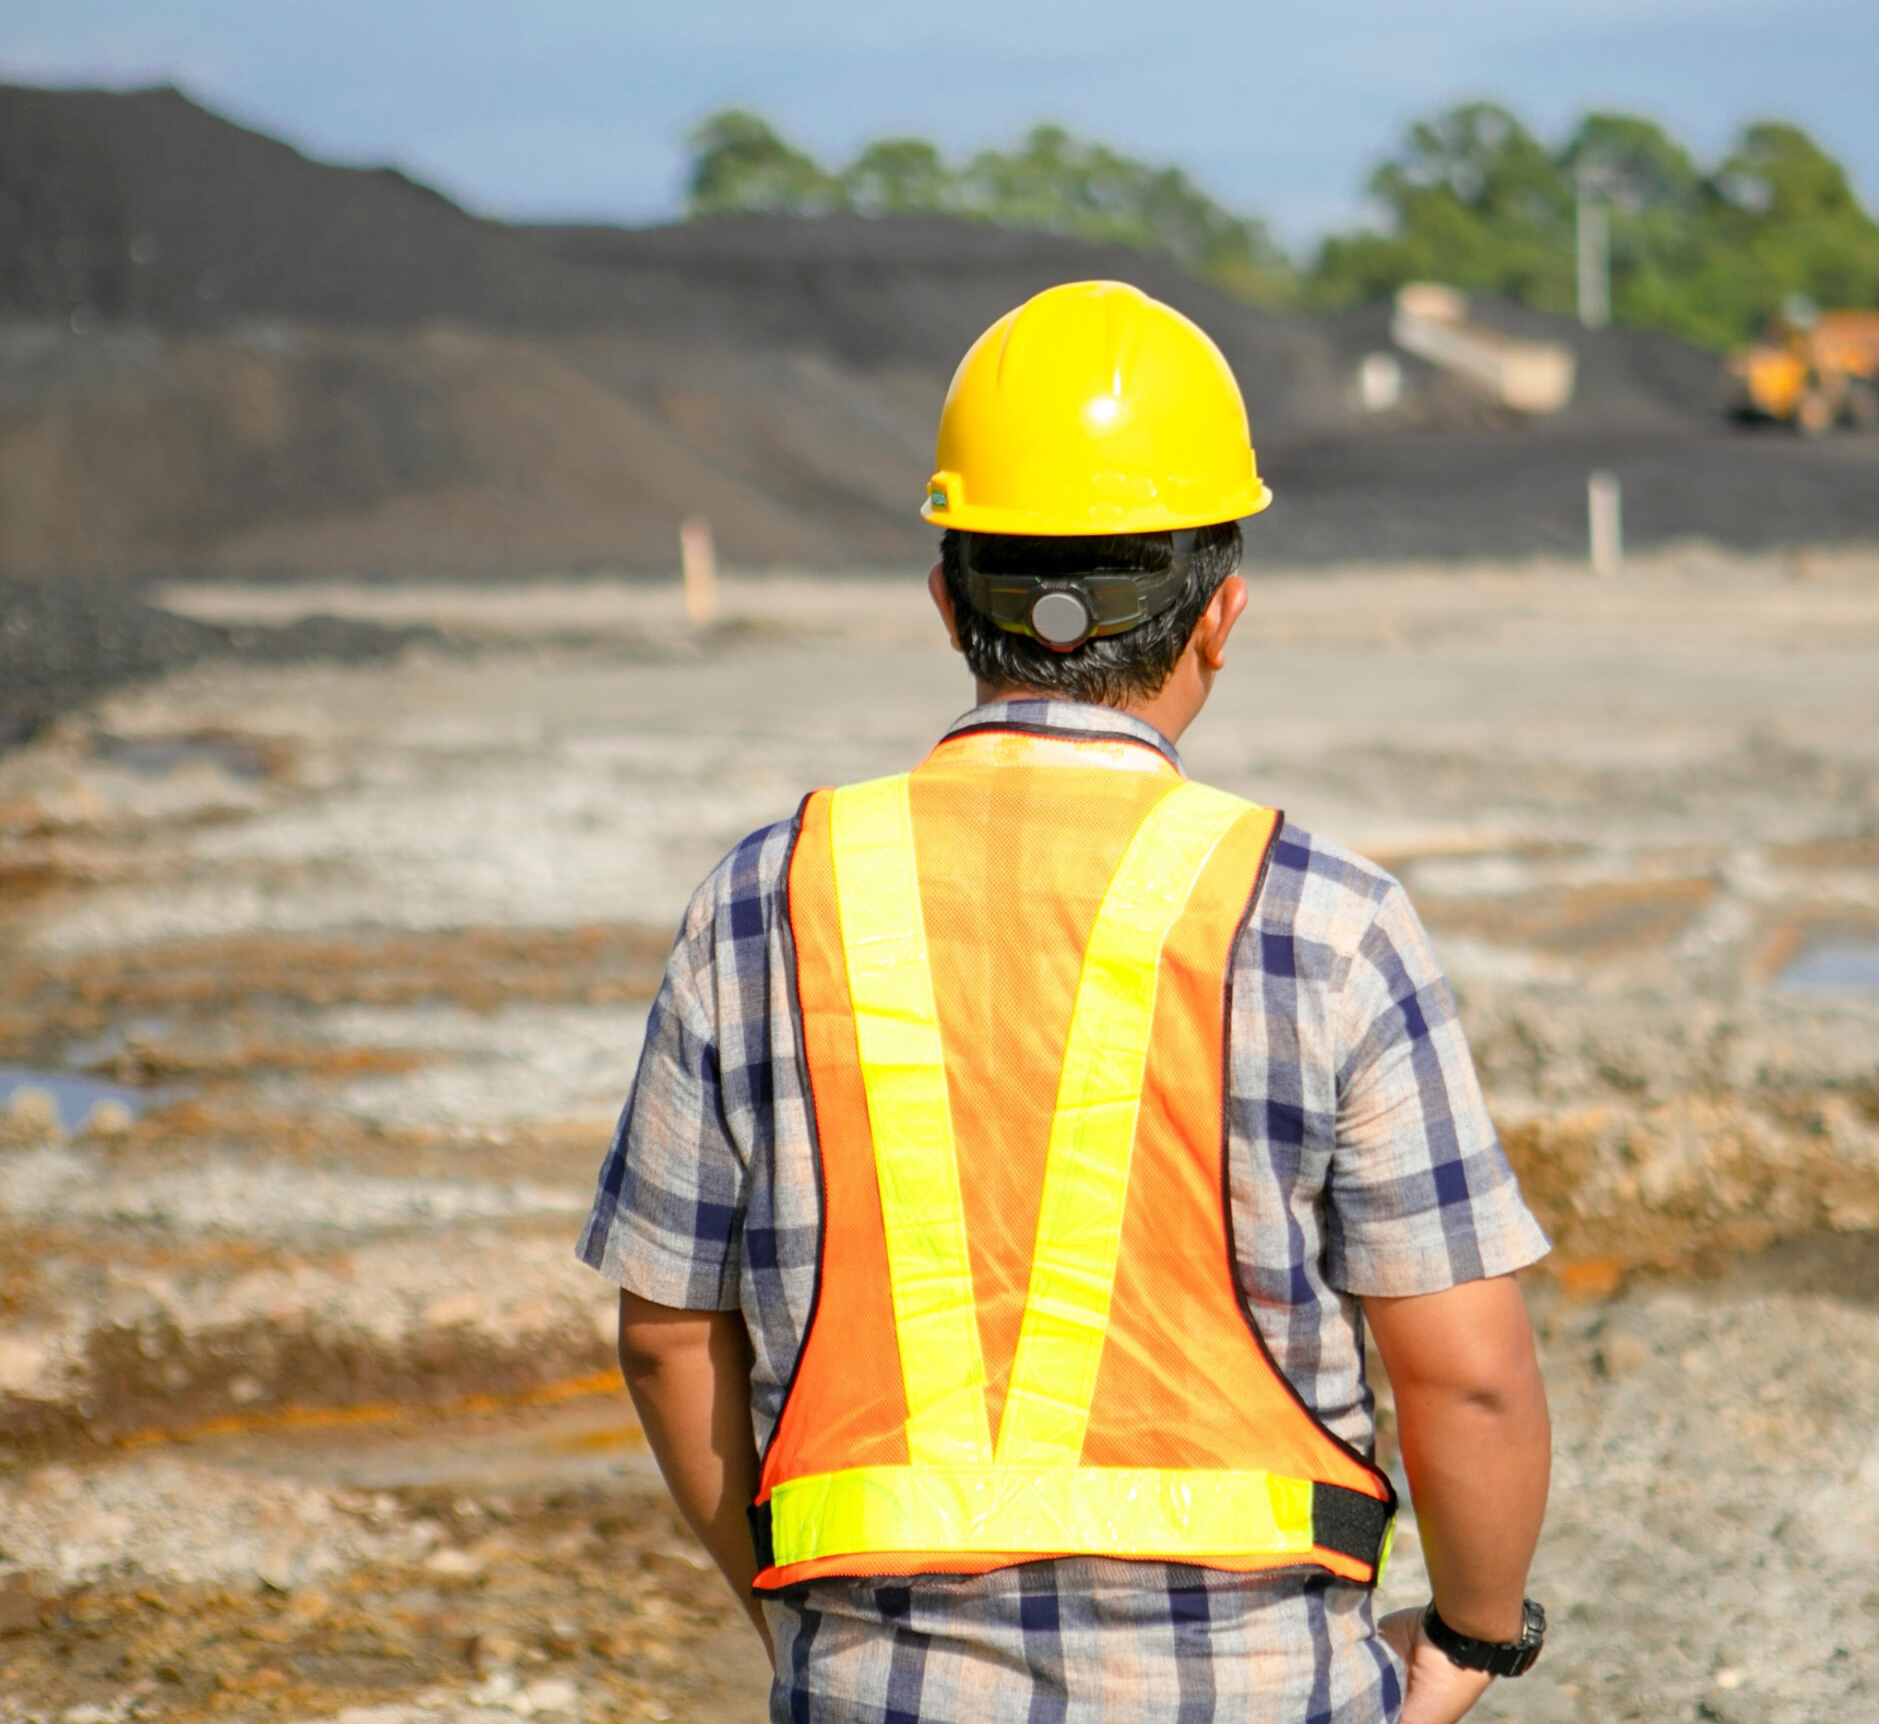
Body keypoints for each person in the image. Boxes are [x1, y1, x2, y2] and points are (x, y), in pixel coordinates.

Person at [579, 279, 1552, 1724]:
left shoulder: (760, 902)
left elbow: (669, 1336)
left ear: (944, 601)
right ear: (1222, 614)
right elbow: (1467, 1377)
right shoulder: (1330, 920)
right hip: (1260, 1684)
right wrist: (1474, 1635)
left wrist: (800, 1636)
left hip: (876, 1681)